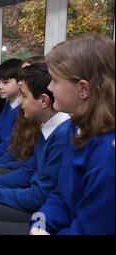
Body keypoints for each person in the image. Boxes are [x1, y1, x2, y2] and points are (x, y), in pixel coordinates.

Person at [0, 63, 71, 235]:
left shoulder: (62, 134)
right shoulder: (48, 126)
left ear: (44, 100)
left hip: (41, 215)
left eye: (24, 96)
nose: (20, 101)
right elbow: (28, 171)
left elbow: (39, 197)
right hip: (40, 208)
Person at [29, 33, 115, 235]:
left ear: (83, 89)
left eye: (55, 80)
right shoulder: (76, 126)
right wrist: (38, 225)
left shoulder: (107, 157)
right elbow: (60, 194)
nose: (49, 87)